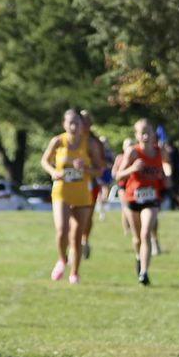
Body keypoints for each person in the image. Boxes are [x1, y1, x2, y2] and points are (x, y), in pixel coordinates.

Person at [41, 109, 99, 284]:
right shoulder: (58, 141)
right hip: (62, 191)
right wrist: (53, 172)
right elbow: (44, 161)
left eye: (77, 123)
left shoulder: (90, 144)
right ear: (64, 125)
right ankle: (62, 260)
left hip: (82, 193)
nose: (74, 127)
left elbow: (99, 170)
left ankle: (75, 272)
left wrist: (86, 169)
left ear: (82, 125)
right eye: (70, 123)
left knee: (77, 236)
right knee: (62, 230)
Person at [117, 118, 170, 286]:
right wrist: (133, 168)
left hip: (151, 198)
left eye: (148, 132)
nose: (146, 136)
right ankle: (138, 257)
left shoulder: (160, 151)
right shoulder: (133, 152)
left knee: (145, 233)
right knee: (137, 238)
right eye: (142, 133)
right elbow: (118, 176)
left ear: (153, 134)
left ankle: (144, 272)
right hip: (133, 198)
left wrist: (167, 176)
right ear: (137, 135)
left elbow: (166, 166)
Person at [77, 110, 106, 259]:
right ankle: (75, 245)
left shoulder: (95, 142)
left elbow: (102, 166)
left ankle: (84, 240)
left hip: (91, 183)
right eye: (82, 121)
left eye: (87, 122)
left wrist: (87, 168)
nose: (84, 125)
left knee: (87, 216)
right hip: (72, 184)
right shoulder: (69, 140)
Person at [112, 138, 135, 236]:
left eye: (131, 145)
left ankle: (132, 227)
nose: (129, 147)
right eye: (127, 145)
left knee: (130, 208)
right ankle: (127, 229)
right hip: (122, 185)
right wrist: (117, 175)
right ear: (123, 147)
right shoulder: (119, 157)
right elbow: (114, 171)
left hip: (133, 186)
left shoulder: (135, 157)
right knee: (125, 207)